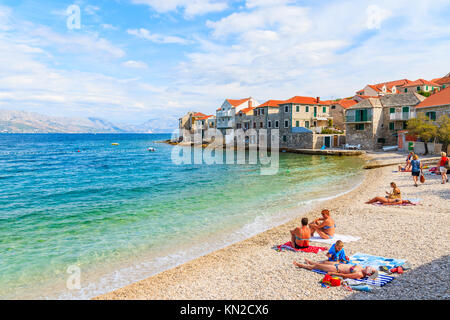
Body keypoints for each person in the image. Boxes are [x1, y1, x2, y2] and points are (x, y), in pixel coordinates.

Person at [293, 259, 378, 280]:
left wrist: (333, 274)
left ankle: (300, 265)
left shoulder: (360, 274)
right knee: (324, 263)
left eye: (370, 269)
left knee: (317, 267)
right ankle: (311, 262)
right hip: (338, 264)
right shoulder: (362, 268)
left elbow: (345, 276)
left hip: (336, 269)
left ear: (369, 273)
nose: (369, 267)